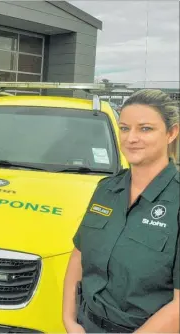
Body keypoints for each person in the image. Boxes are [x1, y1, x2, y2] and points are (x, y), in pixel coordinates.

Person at [63, 89, 179, 333]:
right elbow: (78, 256)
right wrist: (70, 320)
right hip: (87, 325)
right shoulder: (107, 189)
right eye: (125, 128)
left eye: (145, 128)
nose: (131, 138)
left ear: (172, 133)